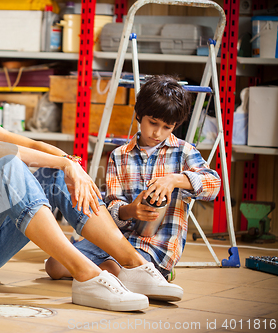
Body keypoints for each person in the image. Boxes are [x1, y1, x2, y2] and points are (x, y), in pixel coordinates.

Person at [0, 34, 183, 312]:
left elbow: (34, 144)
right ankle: (86, 275)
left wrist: (71, 165)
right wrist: (65, 164)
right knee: (7, 165)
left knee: (51, 172)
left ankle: (132, 264)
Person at [45, 75, 221, 285]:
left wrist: (174, 180)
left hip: (156, 246)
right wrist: (130, 210)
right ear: (139, 115)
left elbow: (214, 185)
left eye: (167, 127)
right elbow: (111, 205)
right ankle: (127, 273)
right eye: (153, 123)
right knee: (54, 266)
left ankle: (154, 271)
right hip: (116, 240)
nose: (158, 133)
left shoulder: (184, 152)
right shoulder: (119, 156)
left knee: (110, 269)